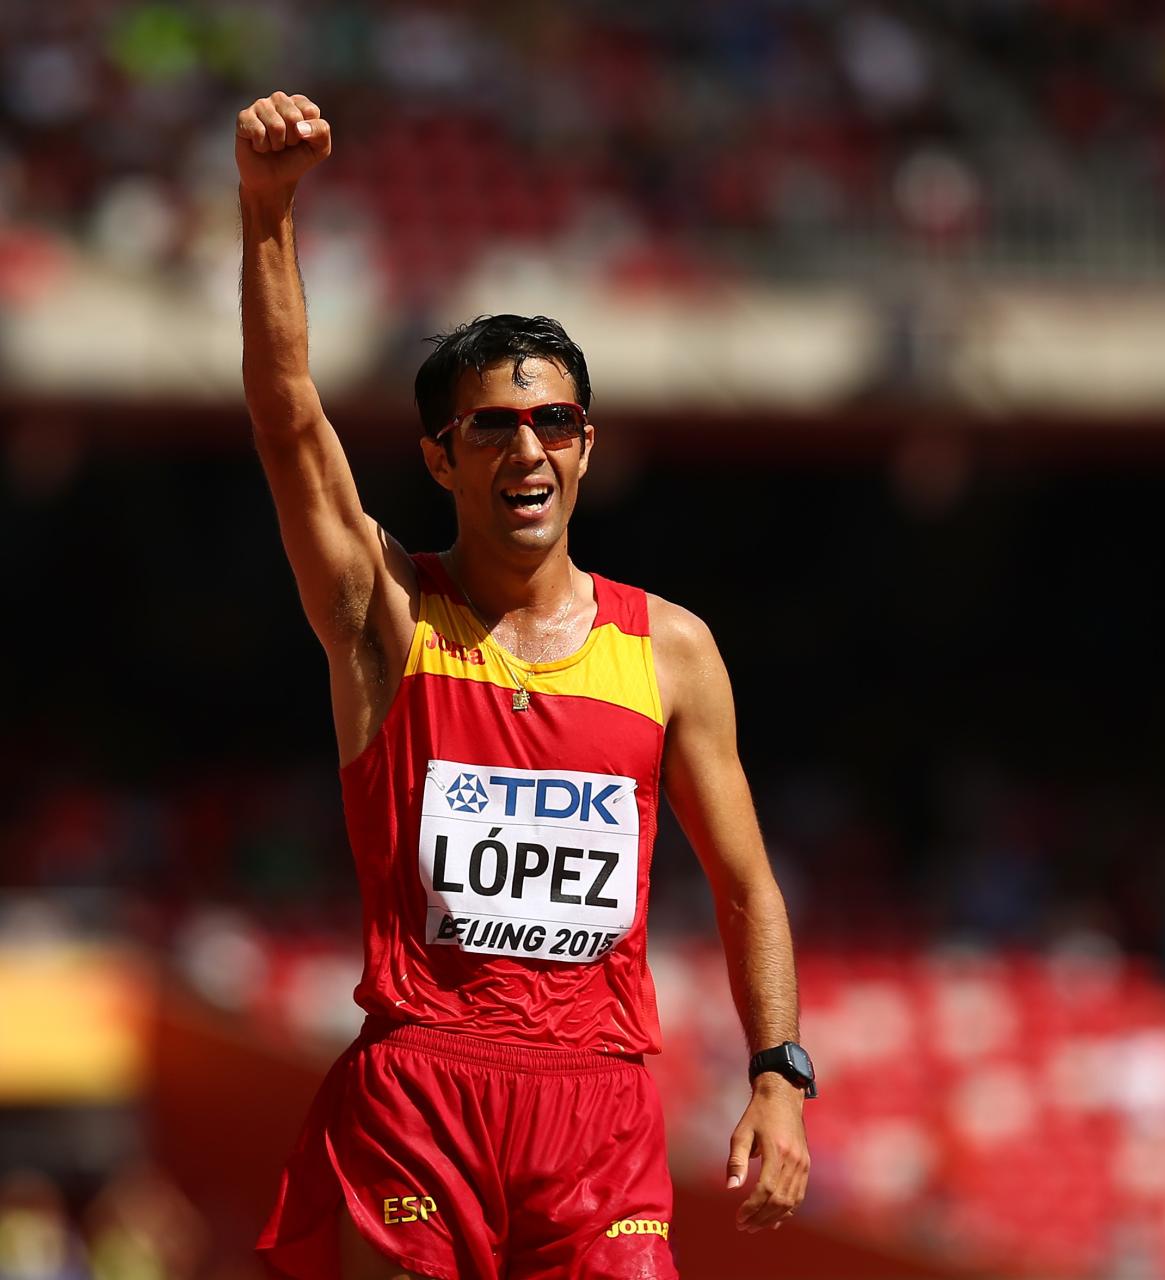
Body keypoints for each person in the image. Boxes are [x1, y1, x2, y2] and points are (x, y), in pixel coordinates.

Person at [234, 91, 814, 1280]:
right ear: (443, 457)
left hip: (597, 1112)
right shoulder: (382, 614)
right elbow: (289, 419)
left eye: (554, 421)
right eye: (493, 427)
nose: (528, 449)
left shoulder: (670, 651)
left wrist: (780, 1072)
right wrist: (266, 214)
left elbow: (747, 884)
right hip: (420, 1087)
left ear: (587, 445)